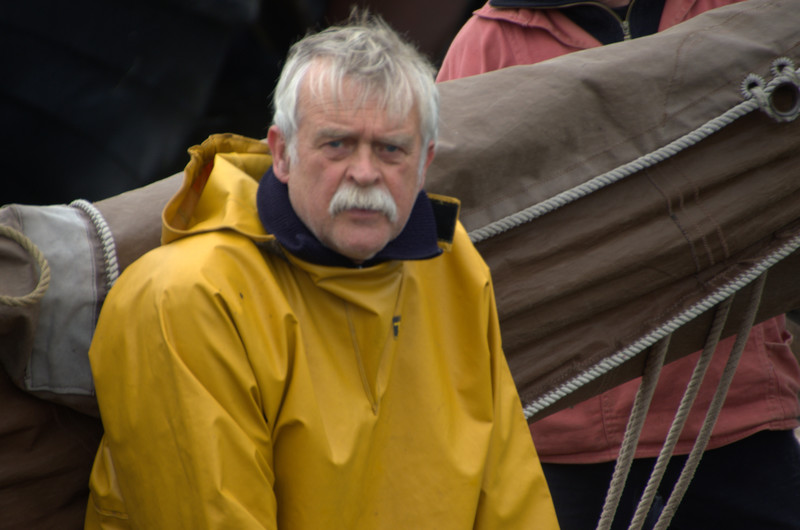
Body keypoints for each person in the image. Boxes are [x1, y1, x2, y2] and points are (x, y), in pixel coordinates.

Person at [83, 12, 559, 529]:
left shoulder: (452, 263)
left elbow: (510, 493)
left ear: (425, 163)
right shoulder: (184, 298)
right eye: (337, 144)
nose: (364, 173)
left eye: (390, 149)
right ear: (282, 153)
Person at [437, 1, 800, 529]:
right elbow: (452, 229)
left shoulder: (736, 7)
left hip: (731, 407)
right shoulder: (487, 42)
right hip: (569, 431)